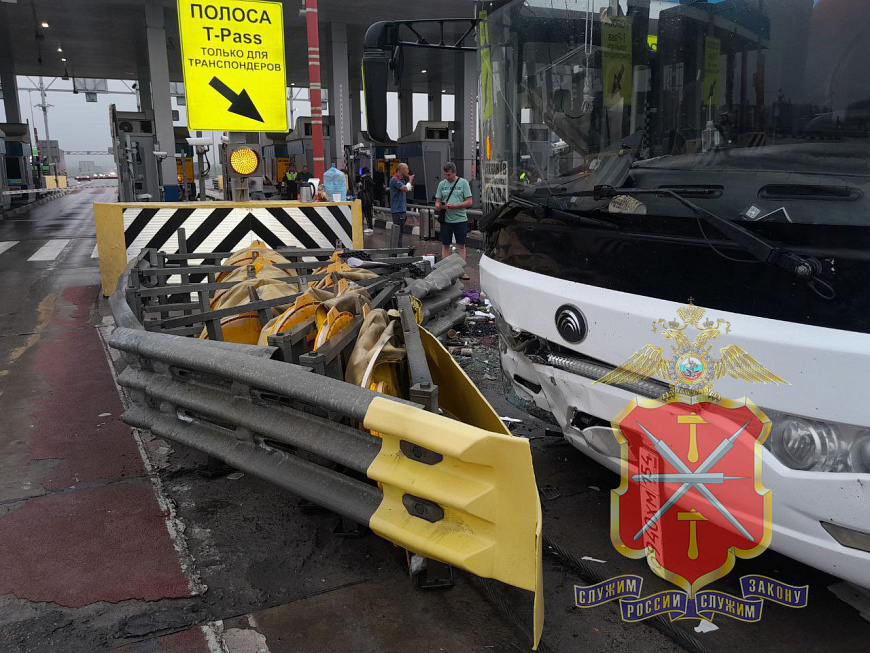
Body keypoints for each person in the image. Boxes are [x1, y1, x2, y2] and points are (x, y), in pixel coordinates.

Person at [434, 161, 473, 280]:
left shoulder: (463, 183)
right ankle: (445, 271)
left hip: (460, 219)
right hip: (446, 220)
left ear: (455, 172)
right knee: (445, 245)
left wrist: (456, 206)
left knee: (461, 245)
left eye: (449, 175)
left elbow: (469, 202)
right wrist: (441, 206)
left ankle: (461, 271)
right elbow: (437, 203)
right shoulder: (442, 184)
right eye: (445, 175)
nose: (447, 177)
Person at [388, 163, 415, 247]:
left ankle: (398, 249)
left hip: (402, 209)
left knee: (401, 232)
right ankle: (397, 250)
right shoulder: (394, 179)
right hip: (397, 210)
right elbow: (406, 188)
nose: (408, 171)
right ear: (401, 170)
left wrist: (408, 186)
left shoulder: (401, 180)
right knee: (398, 233)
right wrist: (410, 180)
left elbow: (406, 190)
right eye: (406, 169)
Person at [358, 167, 375, 234]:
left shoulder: (364, 179)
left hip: (364, 199)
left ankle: (361, 227)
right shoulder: (370, 178)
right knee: (369, 214)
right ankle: (370, 227)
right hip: (370, 198)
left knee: (363, 213)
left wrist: (360, 185)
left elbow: (363, 188)